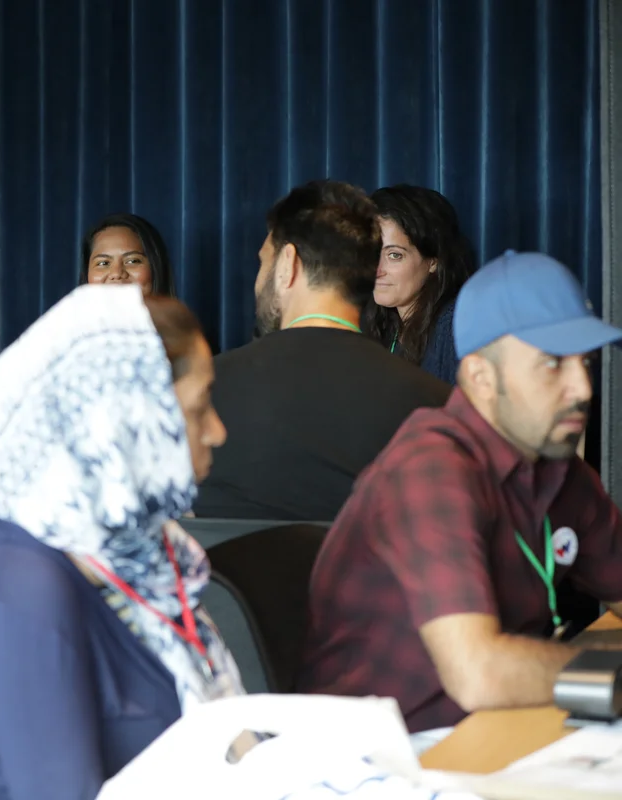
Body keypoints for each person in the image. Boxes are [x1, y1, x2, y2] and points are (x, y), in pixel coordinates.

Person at [0, 284, 244, 800]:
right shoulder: (19, 594)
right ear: (124, 426)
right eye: (199, 405)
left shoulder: (132, 547)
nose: (216, 431)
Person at [298, 251, 622, 737]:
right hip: (391, 754)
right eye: (552, 364)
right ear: (480, 378)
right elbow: (480, 674)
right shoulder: (431, 467)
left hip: (498, 728)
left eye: (586, 362)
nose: (581, 388)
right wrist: (605, 669)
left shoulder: (557, 465)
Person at [194, 180, 451, 521]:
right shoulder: (436, 403)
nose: (257, 282)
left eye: (263, 263)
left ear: (287, 264)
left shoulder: (201, 391)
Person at [366, 185, 476, 384]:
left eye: (394, 255)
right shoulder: (382, 323)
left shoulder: (453, 329)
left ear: (434, 261)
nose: (377, 269)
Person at [79, 213, 176, 296]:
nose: (116, 273)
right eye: (103, 263)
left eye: (132, 261)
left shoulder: (182, 318)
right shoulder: (66, 317)